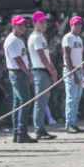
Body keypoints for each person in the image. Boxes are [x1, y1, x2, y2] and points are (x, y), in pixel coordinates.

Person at [4, 15, 36, 143]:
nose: (23, 27)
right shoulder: (12, 40)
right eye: (20, 25)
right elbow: (18, 61)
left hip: (19, 73)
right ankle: (21, 131)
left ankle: (17, 132)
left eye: (24, 25)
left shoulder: (19, 39)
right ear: (14, 26)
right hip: (18, 73)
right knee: (24, 102)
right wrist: (29, 74)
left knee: (18, 103)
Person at [27, 11, 58, 140]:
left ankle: (41, 128)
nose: (44, 24)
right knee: (40, 102)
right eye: (40, 22)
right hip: (40, 71)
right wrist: (52, 70)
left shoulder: (40, 36)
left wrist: (51, 69)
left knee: (44, 102)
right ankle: (38, 130)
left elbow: (46, 57)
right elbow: (42, 57)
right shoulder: (36, 37)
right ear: (34, 23)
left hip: (43, 71)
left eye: (44, 21)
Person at [62, 16, 84, 133]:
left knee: (77, 98)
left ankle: (74, 122)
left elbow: (81, 57)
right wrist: (73, 74)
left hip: (80, 70)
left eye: (80, 24)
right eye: (76, 24)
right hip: (71, 70)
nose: (78, 26)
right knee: (71, 98)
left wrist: (83, 74)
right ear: (71, 25)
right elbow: (67, 56)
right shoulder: (68, 38)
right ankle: (69, 124)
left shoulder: (79, 39)